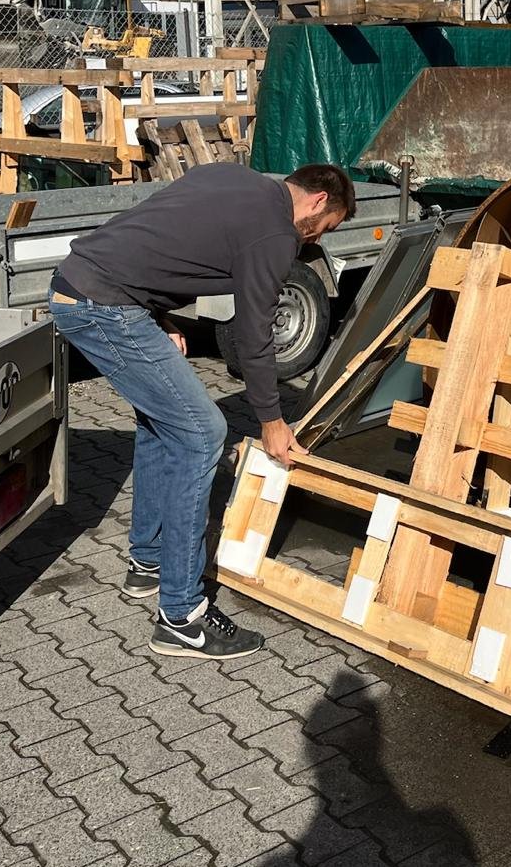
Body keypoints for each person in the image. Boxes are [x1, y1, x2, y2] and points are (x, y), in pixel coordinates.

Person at [48, 161, 356, 661]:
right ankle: (182, 617)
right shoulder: (276, 234)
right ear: (319, 201)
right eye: (327, 226)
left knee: (162, 420)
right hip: (103, 305)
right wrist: (272, 423)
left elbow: (155, 237)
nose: (317, 239)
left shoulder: (231, 177)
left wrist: (159, 315)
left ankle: (147, 562)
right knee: (202, 432)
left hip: (86, 288)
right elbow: (254, 337)